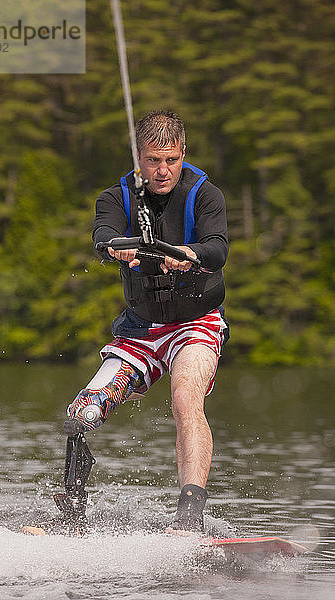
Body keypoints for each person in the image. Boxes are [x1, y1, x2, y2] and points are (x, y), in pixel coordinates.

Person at [68, 110, 229, 532]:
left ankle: (189, 519)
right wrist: (122, 251)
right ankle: (70, 517)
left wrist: (186, 255)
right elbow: (102, 237)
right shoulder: (115, 197)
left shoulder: (205, 194)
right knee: (82, 412)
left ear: (183, 153)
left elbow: (217, 249)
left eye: (171, 160)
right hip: (141, 329)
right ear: (138, 156)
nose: (162, 171)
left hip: (197, 323)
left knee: (185, 399)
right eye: (153, 160)